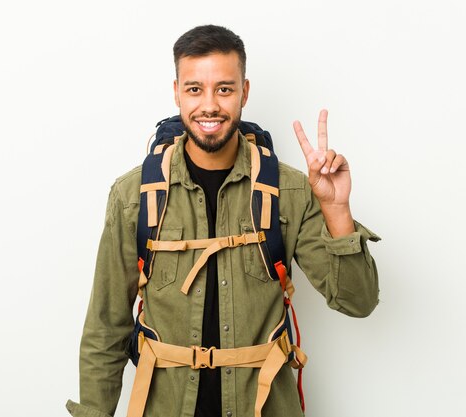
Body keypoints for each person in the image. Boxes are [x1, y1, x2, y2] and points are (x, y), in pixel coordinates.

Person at [66, 24, 380, 417]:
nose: (209, 105)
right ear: (177, 91)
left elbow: (359, 302)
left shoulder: (292, 191)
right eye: (195, 89)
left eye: (225, 89)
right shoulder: (133, 196)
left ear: (244, 92)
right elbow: (105, 328)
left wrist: (337, 210)